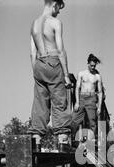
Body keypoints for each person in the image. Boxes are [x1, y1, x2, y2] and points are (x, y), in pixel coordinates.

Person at [28, 0, 72, 153]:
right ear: (54, 4)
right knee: (60, 100)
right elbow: (60, 50)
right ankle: (62, 141)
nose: (59, 11)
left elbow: (32, 52)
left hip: (38, 64)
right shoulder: (55, 22)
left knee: (40, 103)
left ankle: (36, 141)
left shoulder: (34, 23)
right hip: (53, 61)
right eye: (59, 7)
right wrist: (66, 75)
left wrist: (36, 71)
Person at [71, 54, 103, 140]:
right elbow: (77, 88)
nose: (93, 67)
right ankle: (73, 139)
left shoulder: (97, 76)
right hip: (82, 98)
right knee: (74, 120)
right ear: (88, 63)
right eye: (91, 65)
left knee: (92, 122)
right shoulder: (81, 74)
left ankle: (91, 141)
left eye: (94, 66)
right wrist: (77, 102)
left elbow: (100, 92)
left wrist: (99, 106)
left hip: (91, 99)